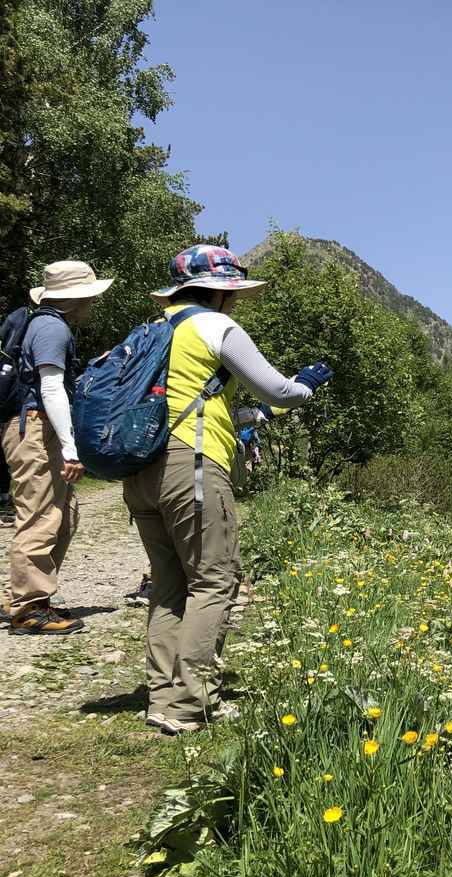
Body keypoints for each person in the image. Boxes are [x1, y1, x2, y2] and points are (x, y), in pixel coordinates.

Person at [124, 245, 332, 735]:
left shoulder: (153, 330)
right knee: (215, 580)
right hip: (191, 468)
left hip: (142, 471)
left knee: (170, 583)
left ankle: (162, 696)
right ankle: (190, 704)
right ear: (220, 290)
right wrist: (305, 386)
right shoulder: (215, 327)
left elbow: (205, 401)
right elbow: (277, 389)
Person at [3, 261, 112, 635]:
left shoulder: (48, 324)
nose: (93, 304)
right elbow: (51, 388)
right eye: (90, 297)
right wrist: (70, 449)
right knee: (41, 513)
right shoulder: (52, 329)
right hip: (36, 427)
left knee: (63, 513)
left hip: (35, 426)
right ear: (75, 298)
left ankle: (26, 595)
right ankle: (28, 609)